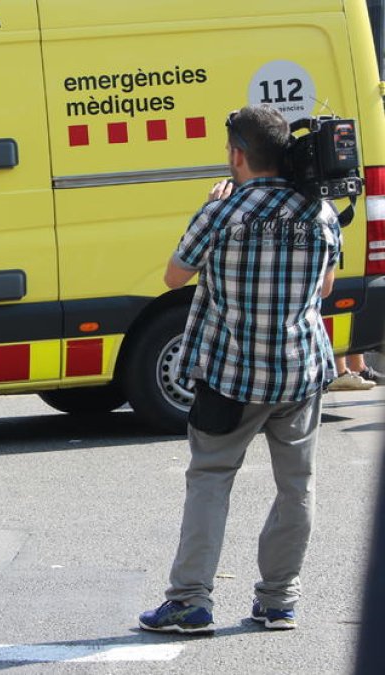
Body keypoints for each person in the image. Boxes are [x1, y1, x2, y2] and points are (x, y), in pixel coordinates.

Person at [138, 105, 341, 634]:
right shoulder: (318, 212)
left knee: (210, 479)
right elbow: (324, 289)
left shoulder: (223, 212)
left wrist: (208, 209)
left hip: (230, 375)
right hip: (300, 372)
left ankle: (190, 601)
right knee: (296, 486)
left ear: (237, 154)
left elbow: (174, 277)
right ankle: (278, 601)